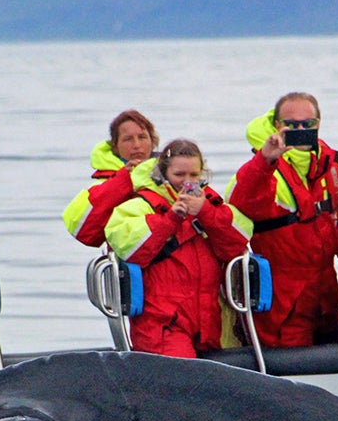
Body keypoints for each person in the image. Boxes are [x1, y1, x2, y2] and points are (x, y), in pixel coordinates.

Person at [226, 92, 338, 346]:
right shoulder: (262, 167)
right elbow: (240, 203)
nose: (300, 129)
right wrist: (266, 159)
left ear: (319, 124)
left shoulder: (331, 167)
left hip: (325, 297)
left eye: (308, 124)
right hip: (283, 303)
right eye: (292, 125)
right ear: (278, 126)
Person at [104, 139, 251, 358]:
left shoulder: (212, 204)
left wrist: (205, 212)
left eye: (193, 175)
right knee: (182, 377)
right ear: (163, 173)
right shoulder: (138, 206)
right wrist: (171, 218)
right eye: (179, 175)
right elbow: (132, 250)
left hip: (209, 322)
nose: (187, 182)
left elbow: (238, 242)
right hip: (163, 324)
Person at [62, 109, 159, 247]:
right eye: (128, 139)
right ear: (115, 146)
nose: (137, 145)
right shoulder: (107, 182)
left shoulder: (174, 172)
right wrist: (125, 178)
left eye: (142, 137)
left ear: (152, 141)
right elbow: (82, 232)